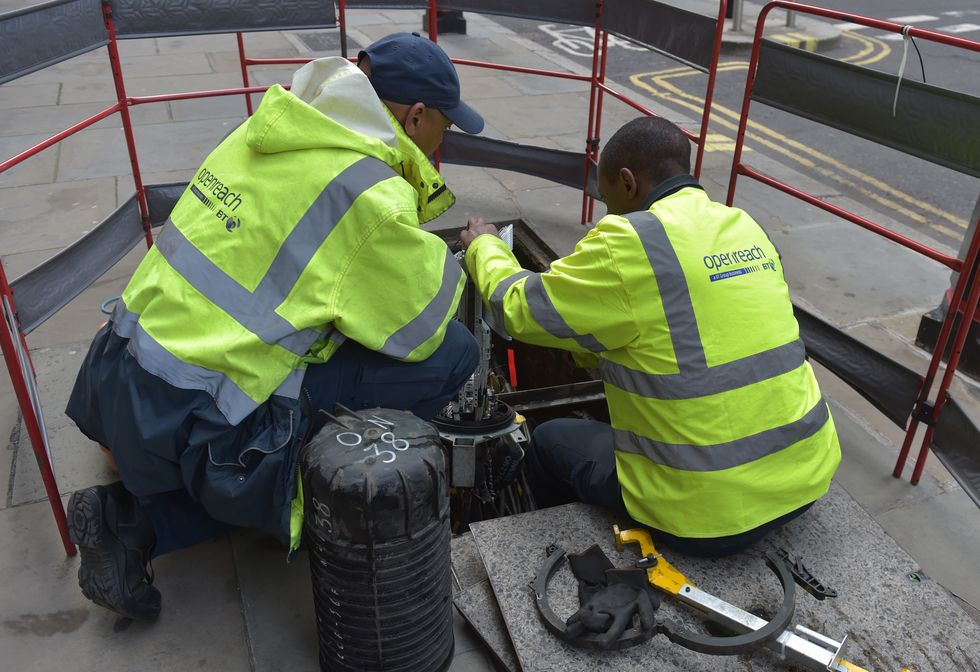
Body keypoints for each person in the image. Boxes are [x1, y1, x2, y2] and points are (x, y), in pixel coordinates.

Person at [65, 33, 484, 620]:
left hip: (122, 369)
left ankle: (140, 501)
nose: (444, 140)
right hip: (203, 414)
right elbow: (422, 327)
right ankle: (141, 522)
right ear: (416, 117)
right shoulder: (369, 190)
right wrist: (481, 255)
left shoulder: (272, 123)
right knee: (455, 354)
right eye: (445, 125)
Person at [459, 116, 841, 557]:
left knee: (550, 440)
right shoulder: (743, 225)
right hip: (806, 477)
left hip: (705, 514)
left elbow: (517, 308)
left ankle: (557, 554)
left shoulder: (632, 239)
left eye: (607, 199)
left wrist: (484, 247)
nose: (607, 213)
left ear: (627, 181)